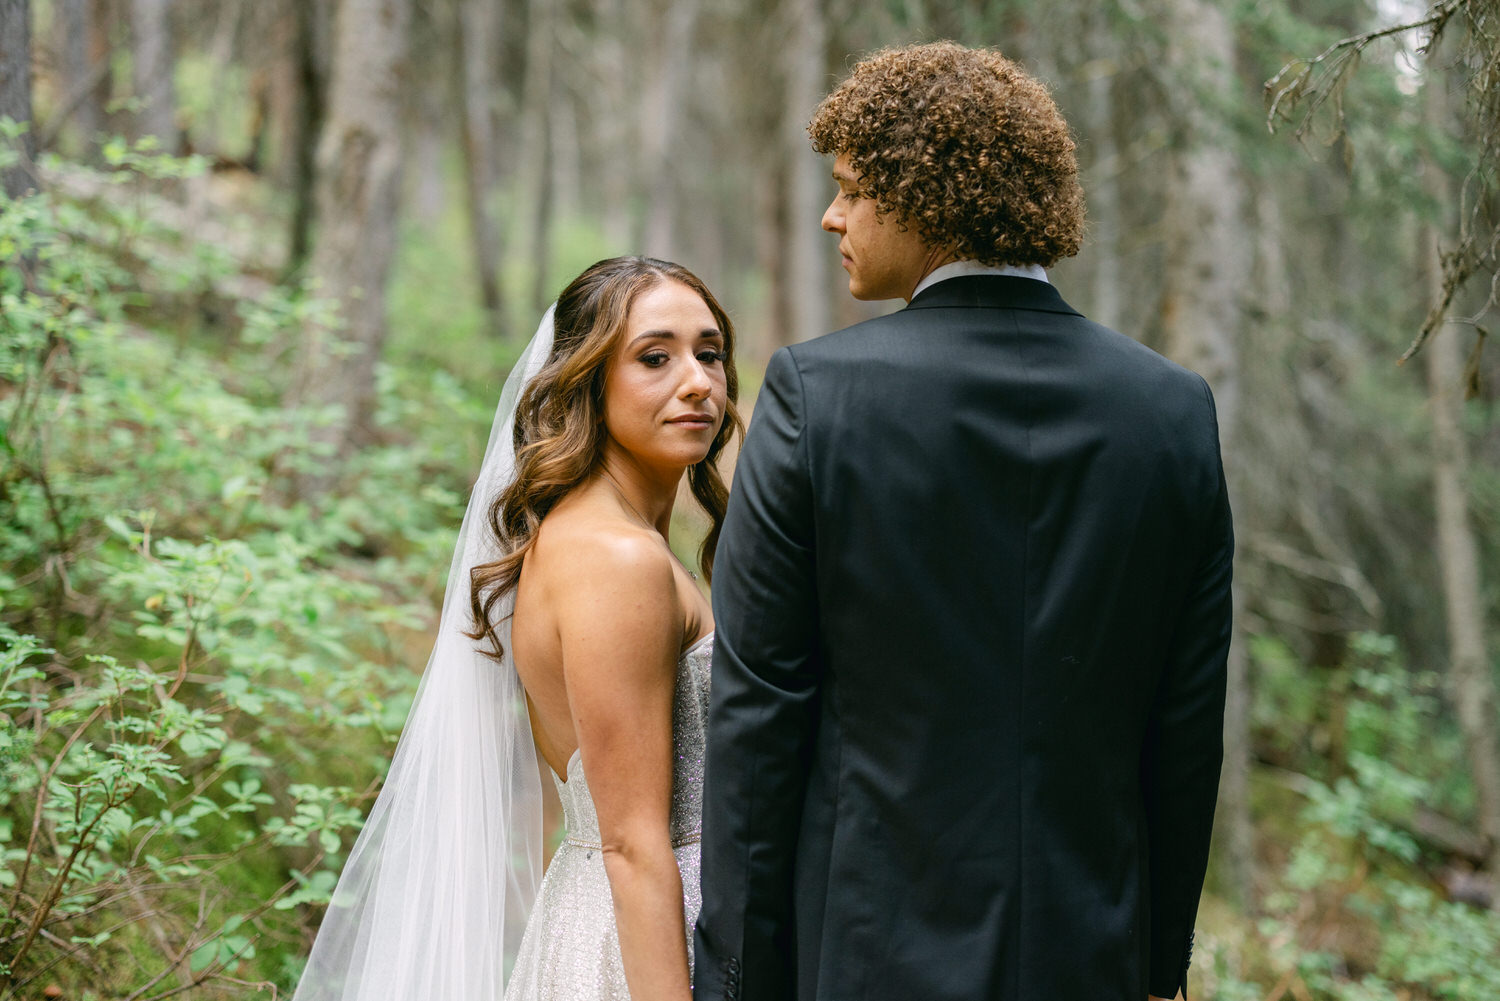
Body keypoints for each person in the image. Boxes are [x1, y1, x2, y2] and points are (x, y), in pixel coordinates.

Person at [695, 42, 1232, 1001]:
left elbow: (760, 711)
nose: (832, 215)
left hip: (861, 953)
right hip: (1090, 950)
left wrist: (735, 974)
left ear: (924, 197)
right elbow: (1184, 722)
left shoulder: (816, 395)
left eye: (852, 190)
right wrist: (1160, 962)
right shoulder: (1172, 409)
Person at [292, 256, 741, 1001]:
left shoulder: (599, 537)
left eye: (710, 352)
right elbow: (632, 841)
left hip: (623, 917)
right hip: (646, 948)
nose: (697, 381)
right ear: (588, 382)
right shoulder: (616, 558)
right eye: (655, 357)